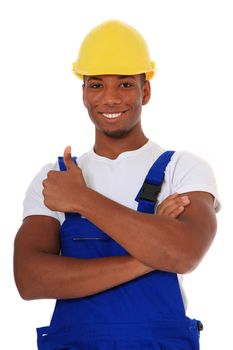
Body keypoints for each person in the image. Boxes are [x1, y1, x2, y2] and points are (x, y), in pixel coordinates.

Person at [14, 20, 220, 350]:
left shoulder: (184, 168)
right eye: (96, 85)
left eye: (124, 85)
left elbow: (185, 254)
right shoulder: (54, 177)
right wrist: (154, 251)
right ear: (83, 93)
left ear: (146, 91)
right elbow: (30, 279)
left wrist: (81, 199)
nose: (110, 99)